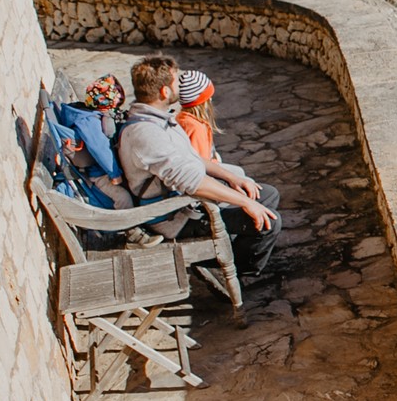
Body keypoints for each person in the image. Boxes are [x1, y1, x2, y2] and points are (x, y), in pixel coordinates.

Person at [117, 54, 281, 279]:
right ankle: (238, 275)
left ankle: (237, 254)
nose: (179, 86)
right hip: (175, 218)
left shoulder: (158, 119)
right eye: (176, 81)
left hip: (185, 204)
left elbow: (192, 158)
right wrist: (244, 202)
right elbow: (191, 181)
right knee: (268, 223)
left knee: (267, 195)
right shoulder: (147, 134)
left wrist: (233, 179)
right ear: (165, 91)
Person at [176, 68, 218, 162]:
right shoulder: (195, 128)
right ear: (203, 102)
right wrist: (215, 162)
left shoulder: (181, 119)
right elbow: (202, 163)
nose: (211, 100)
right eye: (209, 98)